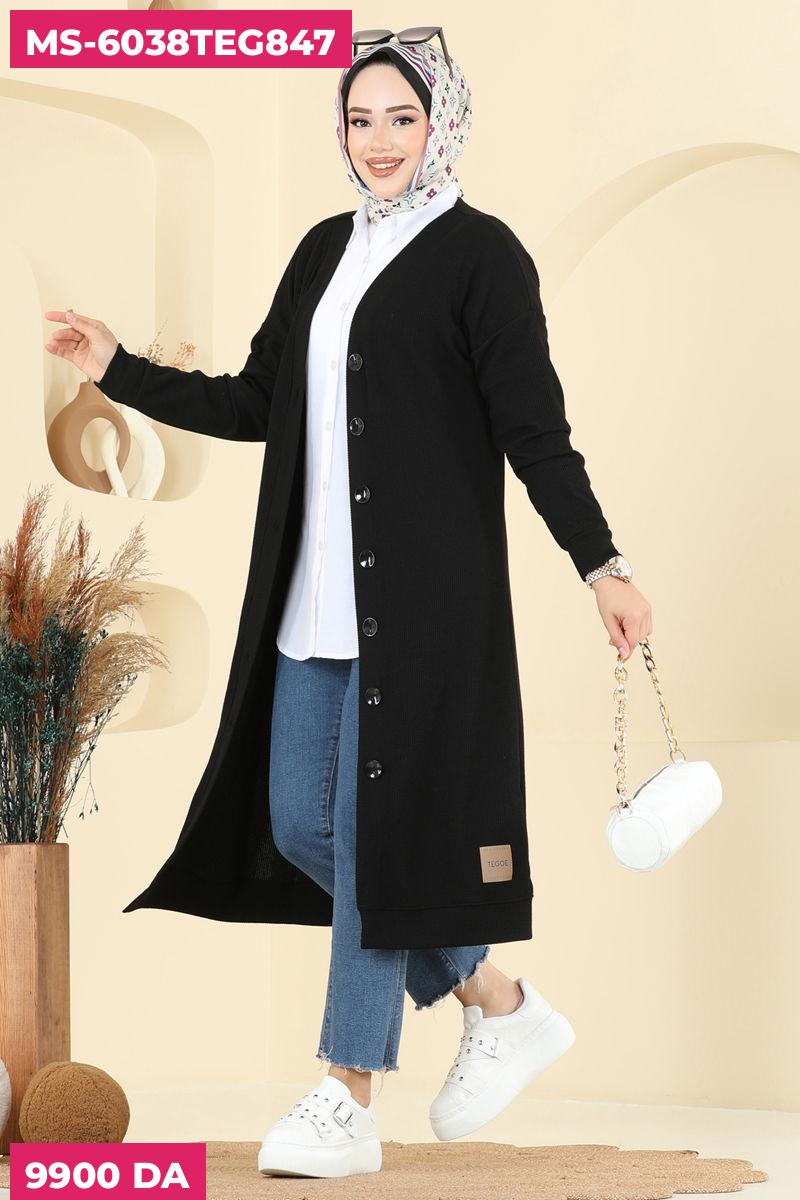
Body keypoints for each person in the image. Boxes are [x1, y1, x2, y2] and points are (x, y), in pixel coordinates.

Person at [44, 32, 653, 1182]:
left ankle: (345, 1093)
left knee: (376, 844)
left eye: (400, 119)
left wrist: (600, 565)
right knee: (300, 827)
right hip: (311, 606)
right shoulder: (325, 248)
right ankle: (495, 997)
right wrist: (118, 368)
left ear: (441, 124)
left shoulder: (480, 258)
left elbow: (534, 433)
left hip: (418, 617)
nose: (376, 141)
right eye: (359, 119)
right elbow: (254, 401)